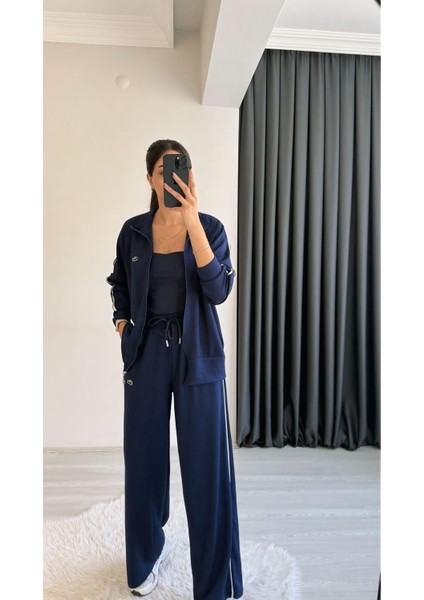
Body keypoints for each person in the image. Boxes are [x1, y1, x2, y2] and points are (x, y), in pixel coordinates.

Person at [106, 139, 244, 600]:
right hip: (146, 354)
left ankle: (215, 584)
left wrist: (192, 221)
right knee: (143, 462)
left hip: (198, 356)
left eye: (180, 169)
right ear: (150, 178)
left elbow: (218, 290)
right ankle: (143, 561)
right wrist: (122, 323)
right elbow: (119, 282)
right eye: (164, 171)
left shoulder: (211, 227)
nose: (172, 178)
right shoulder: (133, 232)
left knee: (207, 470)